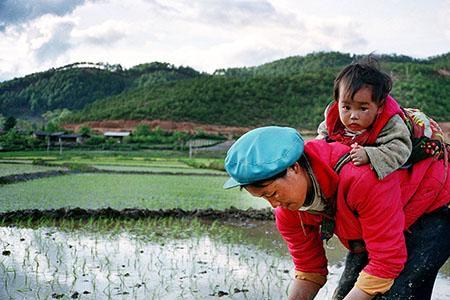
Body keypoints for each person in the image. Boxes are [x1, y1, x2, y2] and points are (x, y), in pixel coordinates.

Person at [223, 126, 449, 300]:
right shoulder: (288, 210)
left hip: (435, 206)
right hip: (375, 221)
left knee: (399, 292)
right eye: (264, 198)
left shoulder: (359, 177)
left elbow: (386, 261)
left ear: (294, 167)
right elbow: (310, 269)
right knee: (345, 292)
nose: (273, 204)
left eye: (273, 193)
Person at [316, 58, 412, 179]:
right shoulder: (334, 117)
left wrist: (370, 154)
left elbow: (401, 149)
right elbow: (323, 134)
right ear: (338, 101)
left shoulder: (390, 122)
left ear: (379, 106)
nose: (353, 116)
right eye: (346, 107)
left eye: (363, 109)